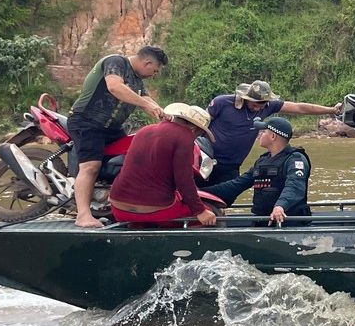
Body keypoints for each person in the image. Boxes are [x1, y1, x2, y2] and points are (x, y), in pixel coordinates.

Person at [68, 45, 168, 228]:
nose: (154, 75)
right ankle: (82, 215)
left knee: (130, 158)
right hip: (88, 122)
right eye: (154, 70)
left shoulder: (137, 81)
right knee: (91, 166)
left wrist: (165, 115)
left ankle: (112, 203)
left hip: (112, 128)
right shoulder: (116, 62)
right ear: (147, 62)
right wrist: (146, 106)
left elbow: (148, 100)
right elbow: (115, 87)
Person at [201, 80, 340, 185]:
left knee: (222, 200)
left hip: (231, 165)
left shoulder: (267, 107)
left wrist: (331, 110)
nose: (257, 109)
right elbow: (200, 124)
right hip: (206, 159)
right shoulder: (222, 103)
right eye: (254, 104)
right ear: (245, 97)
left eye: (260, 106)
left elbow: (299, 108)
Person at [108, 103, 217, 227]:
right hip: (155, 211)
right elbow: (184, 181)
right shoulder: (185, 136)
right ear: (195, 129)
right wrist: (200, 211)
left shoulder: (144, 130)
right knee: (211, 214)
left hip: (118, 207)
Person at [203, 117, 312, 226]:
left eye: (263, 132)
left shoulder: (295, 159)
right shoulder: (263, 160)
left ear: (273, 136)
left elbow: (295, 186)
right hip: (263, 220)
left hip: (288, 222)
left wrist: (280, 206)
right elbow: (237, 184)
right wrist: (201, 192)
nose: (259, 135)